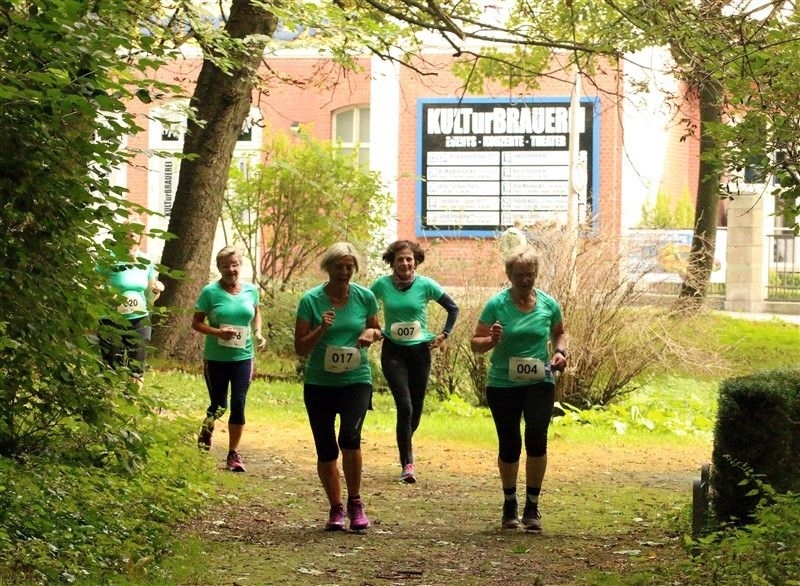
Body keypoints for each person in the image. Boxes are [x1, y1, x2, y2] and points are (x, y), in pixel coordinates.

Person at [470, 246, 568, 532]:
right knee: (510, 443)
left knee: (537, 438)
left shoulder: (549, 304)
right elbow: (475, 344)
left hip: (540, 381)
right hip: (503, 384)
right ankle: (510, 503)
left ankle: (533, 507)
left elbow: (559, 332)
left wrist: (561, 352)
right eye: (519, 275)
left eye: (530, 274)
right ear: (509, 275)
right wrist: (491, 340)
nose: (525, 279)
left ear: (536, 273)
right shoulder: (496, 305)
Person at [294, 242, 382, 532]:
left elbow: (376, 328)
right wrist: (321, 328)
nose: (344, 272)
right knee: (326, 448)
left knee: (350, 439)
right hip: (320, 382)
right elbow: (300, 349)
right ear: (327, 268)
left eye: (349, 267)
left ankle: (356, 501)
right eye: (339, 266)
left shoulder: (365, 297)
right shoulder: (310, 300)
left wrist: (370, 333)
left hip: (356, 379)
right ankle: (335, 507)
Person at [370, 240, 459, 483]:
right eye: (400, 259)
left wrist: (444, 334)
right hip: (393, 353)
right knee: (405, 406)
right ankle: (407, 463)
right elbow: (365, 305)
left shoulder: (426, 285)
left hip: (420, 353)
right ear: (393, 262)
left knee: (416, 411)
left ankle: (405, 439)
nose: (405, 263)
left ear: (416, 261)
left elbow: (453, 308)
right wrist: (375, 327)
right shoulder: (381, 285)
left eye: (409, 259)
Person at [192, 246, 266, 472]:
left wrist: (258, 332)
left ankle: (233, 454)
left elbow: (255, 312)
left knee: (239, 403)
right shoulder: (210, 292)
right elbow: (196, 323)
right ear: (219, 268)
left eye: (234, 265)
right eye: (226, 266)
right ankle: (206, 432)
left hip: (243, 356)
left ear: (240, 265)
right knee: (218, 405)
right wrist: (217, 332)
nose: (231, 270)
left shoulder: (251, 290)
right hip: (216, 358)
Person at [98, 221, 164, 384]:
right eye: (127, 230)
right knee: (111, 361)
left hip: (139, 318)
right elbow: (95, 285)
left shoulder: (146, 260)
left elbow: (149, 298)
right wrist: (106, 295)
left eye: (136, 230)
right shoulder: (109, 257)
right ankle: (108, 399)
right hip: (111, 318)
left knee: (137, 362)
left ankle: (133, 400)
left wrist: (156, 290)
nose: (132, 233)